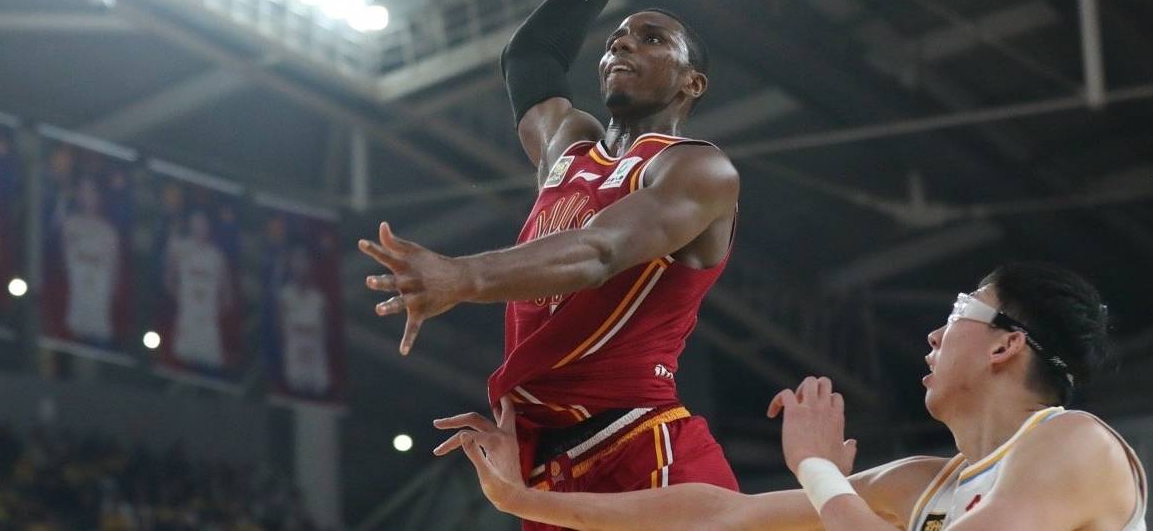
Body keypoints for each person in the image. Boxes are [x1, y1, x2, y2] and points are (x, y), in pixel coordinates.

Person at [361, 0, 741, 526]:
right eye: (617, 37)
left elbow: (599, 251)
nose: (622, 44)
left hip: (642, 446)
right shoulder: (570, 146)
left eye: (652, 39)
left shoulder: (696, 168)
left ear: (692, 84)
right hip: (547, 469)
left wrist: (462, 276)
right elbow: (529, 56)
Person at [438, 262, 1147, 531]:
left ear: (1005, 343)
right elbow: (717, 513)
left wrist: (818, 468)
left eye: (960, 309)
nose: (933, 333)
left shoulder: (1070, 441)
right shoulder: (921, 484)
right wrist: (524, 499)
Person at [167, 209, 232, 370]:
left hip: (209, 330)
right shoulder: (180, 249)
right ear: (190, 224)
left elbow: (227, 296)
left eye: (203, 224)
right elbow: (169, 281)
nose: (199, 228)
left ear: (209, 227)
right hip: (186, 325)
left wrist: (211, 312)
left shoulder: (217, 257)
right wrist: (184, 302)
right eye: (196, 223)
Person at [62, 173, 120, 341]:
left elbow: (114, 272)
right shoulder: (70, 225)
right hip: (75, 308)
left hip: (100, 310)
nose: (87, 196)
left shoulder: (109, 232)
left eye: (91, 191)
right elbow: (64, 263)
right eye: (83, 191)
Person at [277, 246, 331, 396]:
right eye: (296, 261)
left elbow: (326, 333)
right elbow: (280, 331)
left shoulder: (319, 299)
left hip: (316, 366)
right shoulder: (285, 296)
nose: (300, 265)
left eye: (304, 261)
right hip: (294, 365)